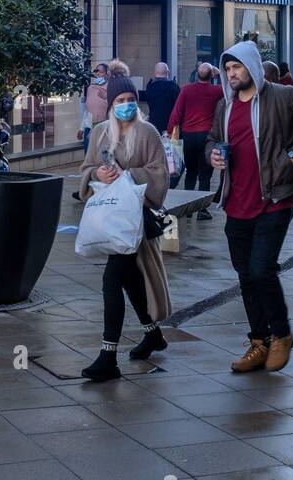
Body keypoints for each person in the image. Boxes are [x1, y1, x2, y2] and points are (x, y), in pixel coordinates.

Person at [207, 41, 293, 373]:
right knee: (246, 276)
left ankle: (282, 335)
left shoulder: (283, 96)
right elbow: (212, 138)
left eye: (238, 67)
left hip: (275, 197)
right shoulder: (226, 106)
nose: (232, 74)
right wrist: (213, 154)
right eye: (228, 69)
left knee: (262, 270)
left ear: (252, 66)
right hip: (236, 200)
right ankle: (258, 342)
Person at [78, 71, 171, 382]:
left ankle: (108, 356)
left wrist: (128, 175)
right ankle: (152, 333)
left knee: (111, 280)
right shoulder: (100, 133)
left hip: (136, 221)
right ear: (111, 104)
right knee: (130, 279)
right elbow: (87, 168)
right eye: (120, 101)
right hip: (110, 219)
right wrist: (96, 176)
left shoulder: (148, 133)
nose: (127, 105)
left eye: (131, 100)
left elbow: (160, 173)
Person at [166, 63, 223, 217]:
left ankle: (187, 207)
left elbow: (176, 113)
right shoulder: (217, 91)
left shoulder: (186, 90)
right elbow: (229, 90)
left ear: (196, 75)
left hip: (189, 135)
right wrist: (218, 74)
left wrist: (171, 131)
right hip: (207, 136)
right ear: (211, 76)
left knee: (191, 171)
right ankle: (202, 209)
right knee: (205, 174)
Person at [140, 62, 180, 135]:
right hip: (170, 125)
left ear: (155, 73)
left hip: (154, 125)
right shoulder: (174, 87)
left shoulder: (150, 87)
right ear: (168, 72)